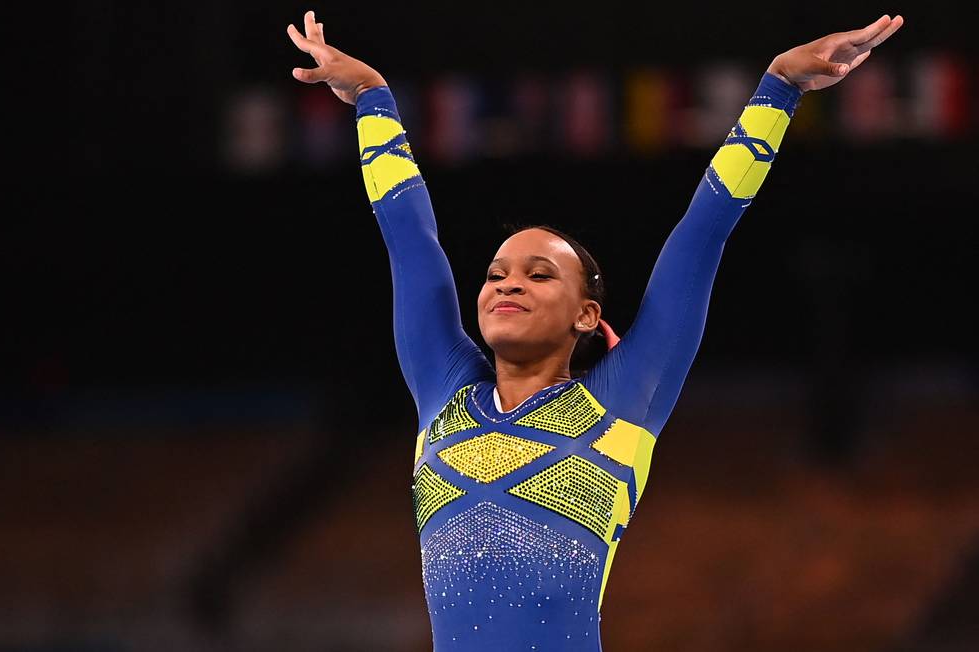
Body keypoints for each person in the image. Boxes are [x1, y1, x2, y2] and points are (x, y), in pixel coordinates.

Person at [287, 11, 903, 651]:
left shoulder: (620, 402)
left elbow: (703, 231)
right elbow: (409, 241)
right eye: (496, 273)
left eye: (538, 274)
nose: (507, 284)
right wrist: (372, 99)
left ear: (587, 314)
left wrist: (779, 87)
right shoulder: (442, 393)